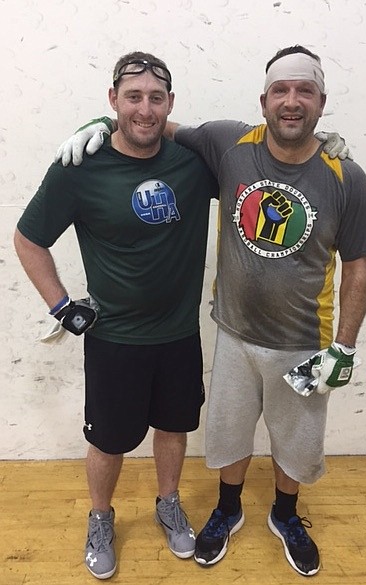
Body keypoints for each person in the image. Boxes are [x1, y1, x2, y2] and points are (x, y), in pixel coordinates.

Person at [53, 46, 366, 578]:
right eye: (281, 91)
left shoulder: (346, 174)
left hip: (305, 341)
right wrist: (103, 121)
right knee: (228, 437)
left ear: (321, 102)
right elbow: (153, 124)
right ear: (264, 100)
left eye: (305, 91)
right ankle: (227, 510)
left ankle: (286, 517)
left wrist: (345, 345)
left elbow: (358, 266)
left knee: (293, 444)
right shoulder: (228, 143)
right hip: (235, 336)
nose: (292, 102)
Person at [14, 50, 219, 580]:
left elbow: (258, 163)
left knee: (174, 428)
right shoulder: (79, 168)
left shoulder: (194, 162)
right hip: (115, 340)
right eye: (132, 98)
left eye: (155, 98)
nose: (144, 109)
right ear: (113, 100)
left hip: (179, 335)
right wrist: (61, 306)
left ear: (169, 104)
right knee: (108, 440)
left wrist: (315, 156)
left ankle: (168, 503)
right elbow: (28, 238)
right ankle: (101, 517)